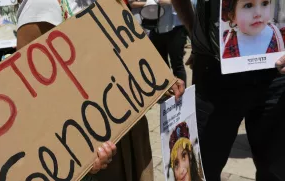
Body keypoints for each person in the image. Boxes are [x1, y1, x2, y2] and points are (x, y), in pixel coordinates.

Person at [15, 0, 185, 180]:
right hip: (92, 147)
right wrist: (79, 157)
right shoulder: (42, 6)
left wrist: (160, 79)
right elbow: (32, 100)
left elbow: (126, 49)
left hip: (129, 129)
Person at [172, 0, 285, 180]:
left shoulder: (274, 35)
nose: (257, 12)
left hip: (276, 73)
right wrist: (198, 34)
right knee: (202, 168)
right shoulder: (229, 38)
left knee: (277, 168)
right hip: (215, 74)